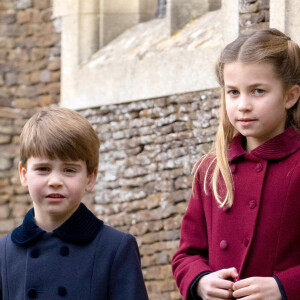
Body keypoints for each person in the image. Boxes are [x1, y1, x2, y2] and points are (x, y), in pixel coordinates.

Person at [172, 28, 300, 300]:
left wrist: (284, 286)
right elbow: (187, 254)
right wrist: (201, 281)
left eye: (257, 91)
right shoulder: (211, 169)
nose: (243, 105)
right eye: (233, 92)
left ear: (290, 96)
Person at [0, 107, 149, 300]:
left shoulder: (116, 248)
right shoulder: (3, 252)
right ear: (23, 174)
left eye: (69, 170)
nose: (55, 181)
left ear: (90, 178)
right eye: (43, 168)